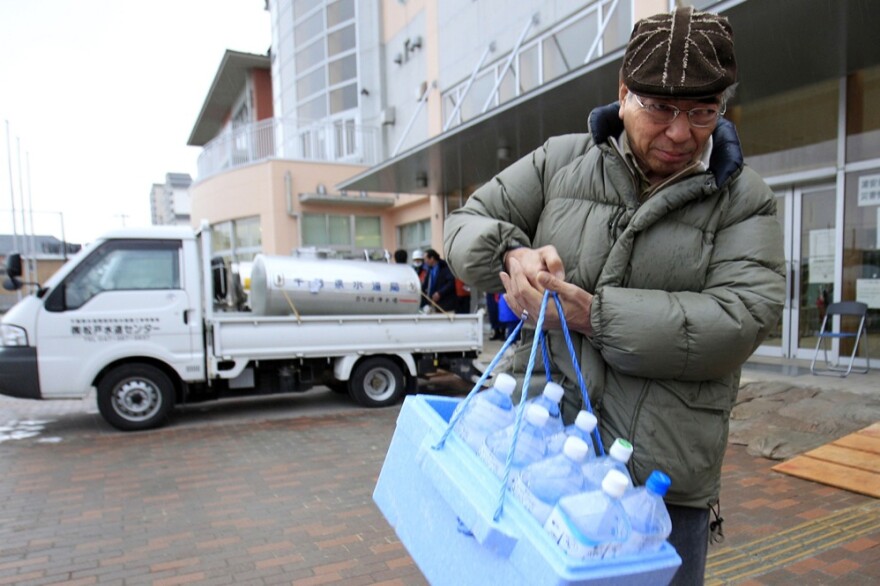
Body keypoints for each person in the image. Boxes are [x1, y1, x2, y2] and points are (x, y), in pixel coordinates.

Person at [443, 7, 785, 584]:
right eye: (660, 108)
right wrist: (511, 254)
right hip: (538, 450)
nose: (681, 132)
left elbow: (742, 317)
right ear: (623, 93)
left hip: (658, 483)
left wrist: (594, 317)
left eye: (704, 111)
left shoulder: (743, 198)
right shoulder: (561, 160)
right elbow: (463, 225)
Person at [421, 248, 457, 312]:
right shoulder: (430, 270)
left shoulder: (445, 268)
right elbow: (425, 286)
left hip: (446, 304)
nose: (425, 261)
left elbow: (451, 283)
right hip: (434, 304)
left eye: (426, 259)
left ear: (432, 258)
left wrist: (440, 293)